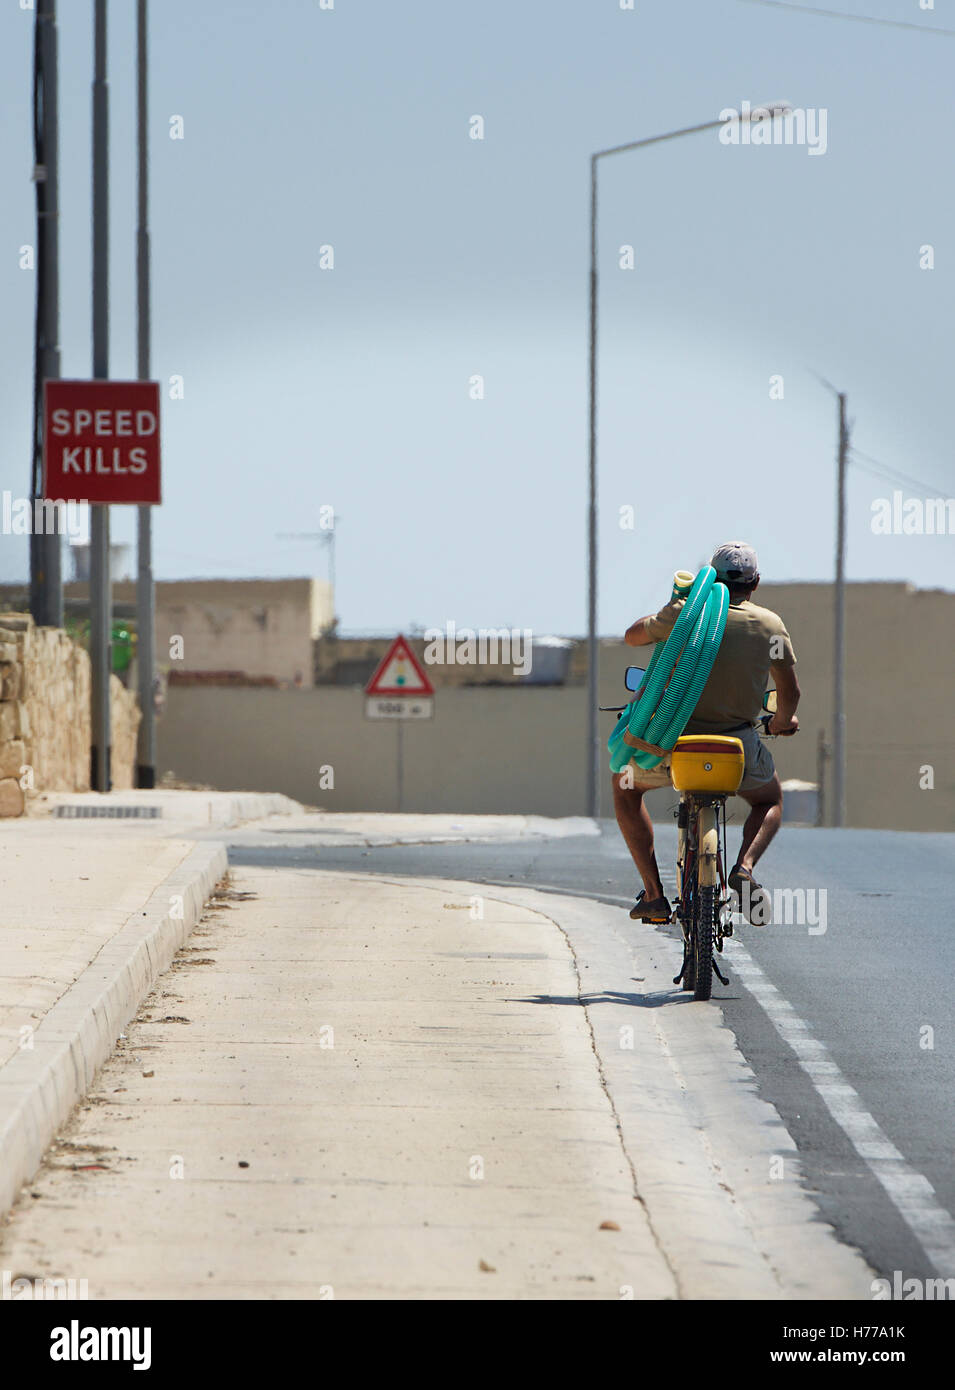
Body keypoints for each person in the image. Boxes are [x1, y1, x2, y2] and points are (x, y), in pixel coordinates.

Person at [613, 542, 800, 926]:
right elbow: (791, 692)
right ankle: (744, 867)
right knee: (770, 800)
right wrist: (782, 721)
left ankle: (653, 894)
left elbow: (632, 636)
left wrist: (667, 614)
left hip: (669, 744)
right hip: (738, 749)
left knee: (625, 790)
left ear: (711, 577)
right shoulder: (770, 625)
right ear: (756, 583)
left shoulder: (685, 617)